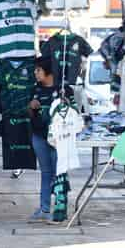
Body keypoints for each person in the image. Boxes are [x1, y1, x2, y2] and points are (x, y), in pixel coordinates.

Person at [27, 57, 75, 223]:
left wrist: (67, 104)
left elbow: (75, 113)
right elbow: (30, 112)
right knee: (46, 172)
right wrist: (31, 107)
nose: (35, 73)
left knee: (59, 173)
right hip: (39, 136)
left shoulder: (64, 90)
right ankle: (44, 208)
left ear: (47, 71)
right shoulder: (35, 89)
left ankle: (60, 209)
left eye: (38, 70)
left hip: (59, 138)